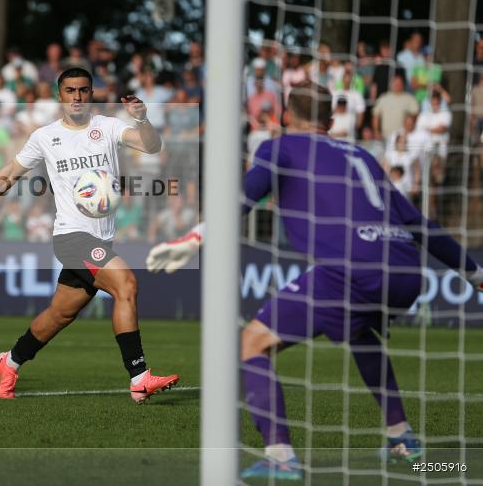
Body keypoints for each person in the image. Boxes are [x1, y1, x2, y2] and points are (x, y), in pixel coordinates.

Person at [146, 84, 483, 480]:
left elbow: (246, 193)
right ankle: (402, 437)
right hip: (408, 270)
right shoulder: (363, 155)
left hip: (351, 267)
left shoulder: (280, 148)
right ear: (331, 119)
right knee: (359, 331)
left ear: (287, 116)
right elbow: (419, 224)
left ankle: (280, 455)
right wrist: (475, 274)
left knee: (252, 342)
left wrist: (196, 236)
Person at [0, 67, 179, 403]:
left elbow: (152, 147)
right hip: (72, 236)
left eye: (83, 90)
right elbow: (10, 174)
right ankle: (140, 378)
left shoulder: (108, 126)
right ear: (60, 95)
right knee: (126, 284)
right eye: (70, 91)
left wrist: (143, 120)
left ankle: (9, 361)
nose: (77, 97)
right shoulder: (45, 136)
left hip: (100, 239)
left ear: (91, 93)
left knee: (60, 314)